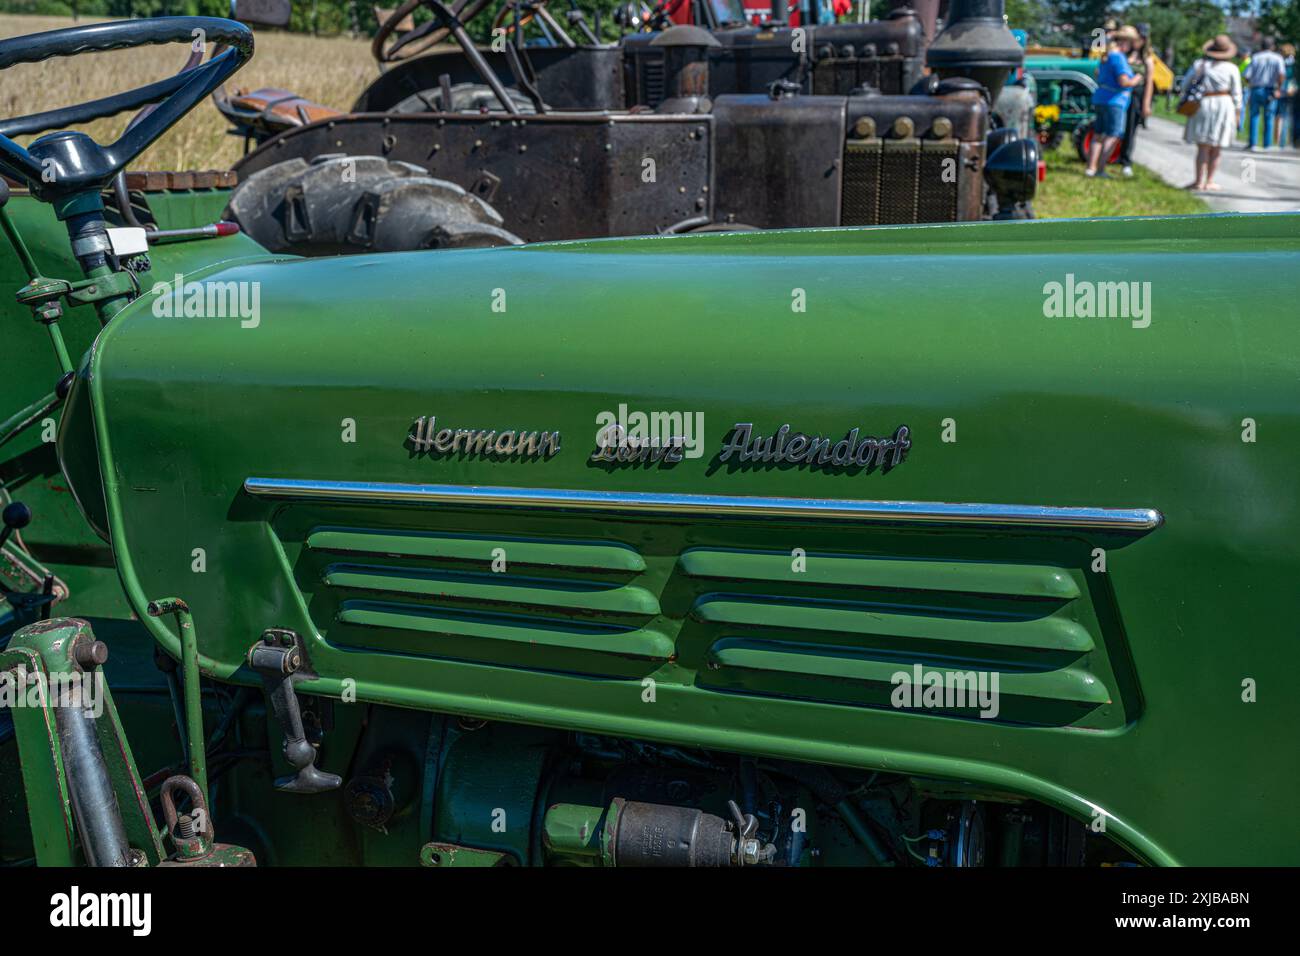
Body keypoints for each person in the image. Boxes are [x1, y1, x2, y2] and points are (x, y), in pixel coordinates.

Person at [1183, 35, 1243, 191]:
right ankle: (1209, 181)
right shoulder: (1232, 69)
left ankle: (1198, 181)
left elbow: (1185, 84)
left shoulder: (1200, 65)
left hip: (1203, 103)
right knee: (1216, 147)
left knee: (1203, 146)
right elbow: (1237, 94)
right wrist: (1237, 114)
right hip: (1224, 105)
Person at [1085, 28, 1142, 178]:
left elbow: (1098, 73)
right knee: (1113, 135)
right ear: (1124, 42)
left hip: (1100, 97)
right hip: (1115, 101)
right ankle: (1101, 169)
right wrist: (1136, 79)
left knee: (1098, 133)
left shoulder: (1107, 56)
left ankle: (1090, 167)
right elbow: (1123, 81)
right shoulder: (1118, 57)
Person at [1117, 24, 1155, 177]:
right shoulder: (1123, 55)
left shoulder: (1146, 59)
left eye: (1143, 38)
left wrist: (1146, 104)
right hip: (1120, 93)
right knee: (1116, 127)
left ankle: (1125, 161)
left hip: (1136, 96)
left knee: (1130, 129)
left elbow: (1149, 83)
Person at [1244, 36, 1286, 149]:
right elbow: (1281, 75)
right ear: (1272, 46)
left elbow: (1247, 75)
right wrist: (1278, 89)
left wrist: (1251, 83)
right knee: (1269, 117)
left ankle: (1252, 143)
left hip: (1256, 88)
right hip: (1271, 89)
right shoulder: (1278, 58)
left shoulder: (1256, 57)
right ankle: (1267, 144)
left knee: (1254, 116)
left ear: (1261, 46)